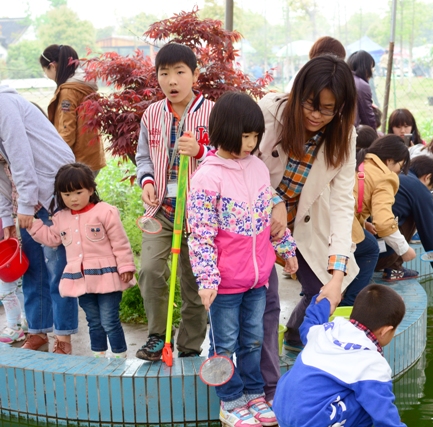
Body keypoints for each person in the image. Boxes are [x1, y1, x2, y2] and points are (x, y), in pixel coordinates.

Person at [188, 92, 298, 427]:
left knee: (252, 340)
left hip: (257, 280)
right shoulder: (207, 177)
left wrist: (286, 249)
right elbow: (201, 234)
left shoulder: (258, 169)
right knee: (224, 344)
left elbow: (269, 220)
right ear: (224, 131)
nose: (250, 143)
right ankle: (230, 400)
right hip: (224, 284)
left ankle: (254, 394)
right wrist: (207, 279)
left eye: (254, 136)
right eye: (244, 136)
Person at [257, 55, 358, 400]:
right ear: (298, 93)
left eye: (328, 109)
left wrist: (337, 275)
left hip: (302, 222)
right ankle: (269, 389)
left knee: (324, 292)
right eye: (310, 105)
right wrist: (273, 201)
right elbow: (240, 165)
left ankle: (306, 360)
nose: (316, 115)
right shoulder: (269, 113)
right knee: (266, 302)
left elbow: (343, 205)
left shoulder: (344, 136)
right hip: (253, 215)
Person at [134, 43, 214, 361]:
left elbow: (230, 158)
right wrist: (147, 181)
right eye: (164, 73)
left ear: (195, 74)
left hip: (199, 214)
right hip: (161, 210)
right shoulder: (152, 114)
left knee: (193, 281)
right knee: (150, 270)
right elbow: (143, 157)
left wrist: (201, 151)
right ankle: (157, 336)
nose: (172, 81)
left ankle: (190, 347)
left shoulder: (213, 113)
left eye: (180, 72)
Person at [28, 163, 135, 358]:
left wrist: (125, 265)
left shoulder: (105, 211)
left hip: (108, 278)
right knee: (93, 321)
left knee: (109, 320)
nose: (73, 199)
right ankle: (98, 356)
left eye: (78, 192)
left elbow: (119, 242)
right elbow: (51, 238)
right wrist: (32, 224)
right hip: (81, 280)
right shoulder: (61, 217)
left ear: (91, 190)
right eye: (67, 194)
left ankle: (119, 356)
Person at [0, 85, 77, 354]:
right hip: (26, 199)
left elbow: (20, 156)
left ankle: (63, 338)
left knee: (58, 270)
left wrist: (25, 204)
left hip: (52, 192)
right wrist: (6, 218)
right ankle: (37, 332)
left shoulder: (4, 105)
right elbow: (1, 172)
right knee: (32, 269)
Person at [273, 284, 407, 427]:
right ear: (386, 331)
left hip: (282, 408)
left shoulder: (327, 329)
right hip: (310, 421)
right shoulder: (372, 363)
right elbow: (384, 415)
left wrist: (325, 300)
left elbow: (310, 321)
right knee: (369, 402)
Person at [376, 156, 433, 303]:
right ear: (427, 177)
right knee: (418, 214)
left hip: (362, 247)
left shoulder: (397, 177)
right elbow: (431, 238)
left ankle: (394, 266)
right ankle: (395, 268)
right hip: (378, 254)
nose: (428, 192)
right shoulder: (419, 189)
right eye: (430, 189)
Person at [349, 135, 414, 302]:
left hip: (319, 217)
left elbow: (353, 198)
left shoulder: (361, 161)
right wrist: (404, 249)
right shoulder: (385, 176)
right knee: (370, 248)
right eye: (400, 165)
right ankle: (351, 301)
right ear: (390, 160)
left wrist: (364, 223)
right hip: (337, 222)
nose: (399, 171)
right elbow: (384, 223)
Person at [40, 45, 106, 175]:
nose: (46, 75)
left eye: (45, 70)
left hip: (76, 163)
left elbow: (67, 130)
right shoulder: (85, 85)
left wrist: (56, 159)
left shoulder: (69, 91)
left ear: (52, 66)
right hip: (91, 156)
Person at [0, 220, 27, 344]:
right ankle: (26, 320)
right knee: (17, 288)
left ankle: (14, 328)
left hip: (5, 246)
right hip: (9, 241)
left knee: (6, 292)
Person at [348, 50, 377, 128]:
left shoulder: (345, 79)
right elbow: (367, 117)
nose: (372, 71)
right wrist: (373, 133)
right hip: (351, 129)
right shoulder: (361, 85)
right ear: (365, 68)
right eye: (371, 67)